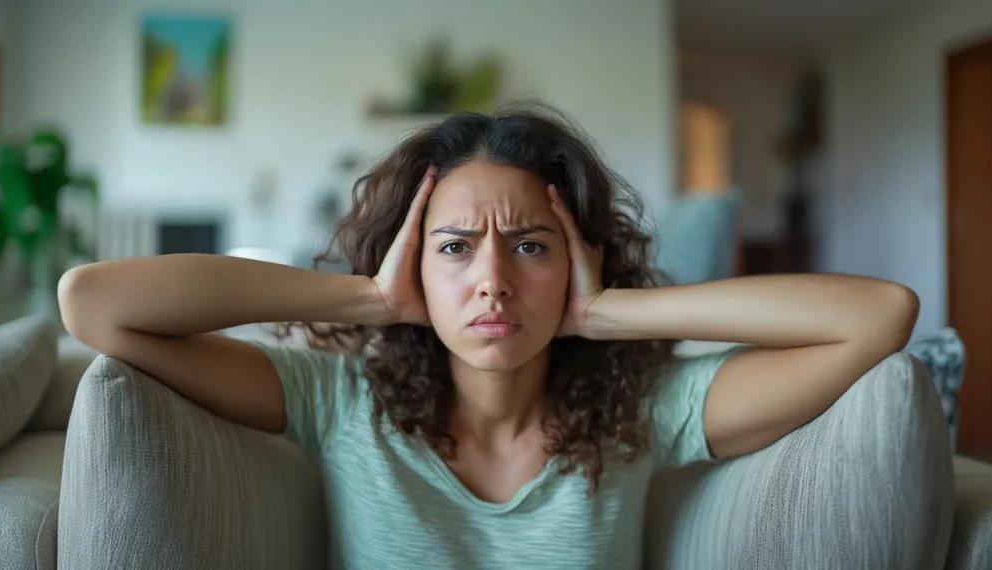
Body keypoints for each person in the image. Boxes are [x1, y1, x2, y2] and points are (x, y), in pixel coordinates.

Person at [57, 101, 919, 569]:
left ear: (580, 258)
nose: (493, 281)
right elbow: (94, 304)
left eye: (531, 245)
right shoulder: (338, 399)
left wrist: (610, 311)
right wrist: (368, 300)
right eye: (455, 248)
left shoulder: (646, 413)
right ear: (413, 264)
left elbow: (877, 318)